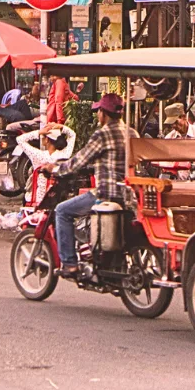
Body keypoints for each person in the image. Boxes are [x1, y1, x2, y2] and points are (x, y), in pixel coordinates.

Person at [43, 93, 135, 277]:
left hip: (106, 193)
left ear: (103, 113)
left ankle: (69, 263)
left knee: (62, 211)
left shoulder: (103, 134)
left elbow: (79, 160)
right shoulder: (132, 133)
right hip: (129, 195)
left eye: (99, 112)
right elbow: (112, 161)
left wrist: (55, 169)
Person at [16, 122, 76, 206]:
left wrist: (39, 132)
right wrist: (62, 127)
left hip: (39, 200)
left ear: (47, 140)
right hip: (58, 200)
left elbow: (19, 139)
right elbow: (72, 135)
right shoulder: (64, 155)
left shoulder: (38, 155)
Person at [161, 102, 195, 181]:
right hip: (177, 180)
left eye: (176, 122)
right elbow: (165, 162)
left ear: (184, 117)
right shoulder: (169, 138)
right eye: (172, 124)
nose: (174, 126)